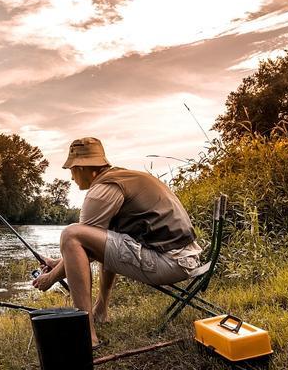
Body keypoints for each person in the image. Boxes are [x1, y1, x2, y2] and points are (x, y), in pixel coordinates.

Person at [32, 137, 202, 348]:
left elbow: (80, 244)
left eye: (72, 169)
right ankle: (101, 311)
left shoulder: (103, 189)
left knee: (71, 234)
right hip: (185, 257)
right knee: (107, 232)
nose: (71, 176)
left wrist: (50, 278)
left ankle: (87, 335)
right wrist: (58, 262)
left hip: (168, 262)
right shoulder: (125, 177)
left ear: (84, 167)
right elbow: (93, 248)